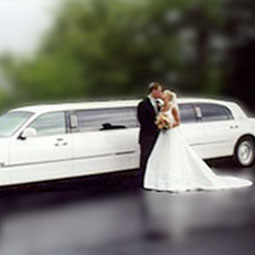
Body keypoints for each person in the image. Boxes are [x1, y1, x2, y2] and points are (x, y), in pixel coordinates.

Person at [143, 89, 253, 192]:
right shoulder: (162, 108)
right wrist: (162, 125)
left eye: (164, 96)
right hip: (164, 136)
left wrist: (169, 125)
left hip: (171, 133)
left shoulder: (173, 108)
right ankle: (159, 182)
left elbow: (177, 122)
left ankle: (173, 181)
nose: (162, 97)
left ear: (168, 98)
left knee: (174, 156)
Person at [137, 82, 163, 187]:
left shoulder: (160, 104)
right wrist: (157, 127)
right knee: (146, 158)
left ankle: (155, 179)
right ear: (153, 91)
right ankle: (143, 181)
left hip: (159, 137)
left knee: (158, 158)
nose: (160, 93)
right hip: (147, 136)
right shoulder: (143, 104)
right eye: (159, 91)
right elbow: (142, 121)